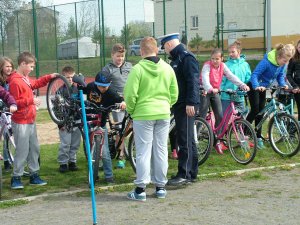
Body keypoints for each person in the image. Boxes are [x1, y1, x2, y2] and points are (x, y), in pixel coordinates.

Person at [124, 36, 178, 201]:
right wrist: (166, 105)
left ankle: (140, 190)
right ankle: (160, 187)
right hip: (162, 113)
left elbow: (130, 95)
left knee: (143, 152)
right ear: (157, 50)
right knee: (161, 149)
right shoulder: (167, 68)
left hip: (143, 114)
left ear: (141, 51)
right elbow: (174, 93)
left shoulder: (137, 69)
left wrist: (133, 111)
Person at [8, 52, 56, 189]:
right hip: (21, 121)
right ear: (23, 64)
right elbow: (14, 102)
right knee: (22, 150)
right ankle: (16, 177)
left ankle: (34, 174)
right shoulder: (15, 80)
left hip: (30, 120)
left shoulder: (25, 78)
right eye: (30, 66)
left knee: (34, 148)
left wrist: (49, 77)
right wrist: (31, 100)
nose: (31, 69)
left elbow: (35, 84)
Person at [160, 33, 200, 186]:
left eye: (165, 47)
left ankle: (184, 173)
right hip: (180, 103)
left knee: (184, 139)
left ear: (169, 44)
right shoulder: (178, 58)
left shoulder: (186, 57)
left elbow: (193, 81)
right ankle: (191, 173)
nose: (165, 50)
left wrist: (191, 102)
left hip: (186, 104)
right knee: (187, 138)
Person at [78, 70, 126, 184]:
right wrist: (78, 83)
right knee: (91, 150)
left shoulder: (111, 92)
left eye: (105, 86)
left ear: (109, 84)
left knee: (104, 152)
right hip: (88, 122)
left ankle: (109, 176)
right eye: (100, 86)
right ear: (96, 83)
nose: (102, 88)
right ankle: (93, 175)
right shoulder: (91, 86)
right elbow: (81, 90)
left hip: (101, 124)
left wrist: (123, 103)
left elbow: (121, 100)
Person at [199, 48, 249, 154]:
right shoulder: (207, 66)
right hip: (205, 91)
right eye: (212, 59)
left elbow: (231, 76)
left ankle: (216, 141)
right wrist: (210, 88)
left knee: (220, 117)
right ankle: (195, 139)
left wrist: (242, 84)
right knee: (202, 116)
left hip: (216, 92)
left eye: (217, 59)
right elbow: (205, 79)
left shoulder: (223, 66)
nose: (214, 61)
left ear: (222, 58)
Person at [246, 44, 293, 149]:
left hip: (263, 87)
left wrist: (282, 84)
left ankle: (258, 137)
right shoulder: (266, 62)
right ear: (279, 57)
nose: (286, 63)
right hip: (254, 86)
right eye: (285, 61)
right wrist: (256, 86)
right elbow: (255, 75)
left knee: (261, 112)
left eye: (287, 61)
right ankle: (245, 131)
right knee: (255, 109)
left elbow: (281, 75)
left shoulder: (282, 64)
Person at [102, 43, 132, 169]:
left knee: (132, 127)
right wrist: (118, 99)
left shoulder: (130, 67)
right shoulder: (107, 69)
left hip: (130, 101)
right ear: (112, 55)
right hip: (117, 104)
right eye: (118, 56)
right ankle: (121, 156)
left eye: (122, 56)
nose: (120, 58)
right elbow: (104, 87)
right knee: (120, 129)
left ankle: (128, 149)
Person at [57, 66, 81, 173]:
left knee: (75, 143)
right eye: (67, 77)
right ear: (63, 77)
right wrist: (60, 124)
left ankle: (72, 161)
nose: (70, 79)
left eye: (72, 77)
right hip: (65, 122)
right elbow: (56, 110)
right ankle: (63, 163)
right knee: (65, 143)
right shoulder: (59, 91)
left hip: (76, 121)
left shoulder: (78, 89)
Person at [221, 41, 251, 115]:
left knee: (241, 120)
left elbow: (248, 78)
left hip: (240, 97)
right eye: (229, 52)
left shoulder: (245, 64)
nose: (230, 54)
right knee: (225, 120)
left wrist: (246, 87)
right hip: (227, 97)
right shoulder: (226, 65)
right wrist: (221, 92)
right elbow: (222, 81)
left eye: (233, 52)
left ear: (239, 51)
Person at [0, 56, 17, 171]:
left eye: (11, 66)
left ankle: (7, 161)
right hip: (3, 108)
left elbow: (9, 95)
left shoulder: (12, 79)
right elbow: (4, 94)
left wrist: (13, 104)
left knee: (8, 134)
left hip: (7, 110)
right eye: (7, 66)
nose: (9, 68)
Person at [286, 40, 300, 122]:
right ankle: (293, 131)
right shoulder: (294, 59)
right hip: (297, 89)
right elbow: (288, 75)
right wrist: (295, 85)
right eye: (299, 47)